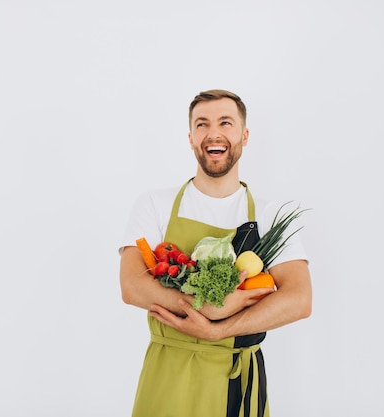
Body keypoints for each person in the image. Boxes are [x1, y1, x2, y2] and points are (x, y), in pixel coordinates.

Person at [118, 89, 312, 417]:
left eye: (226, 122)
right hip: (169, 372)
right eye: (202, 124)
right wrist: (207, 305)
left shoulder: (269, 214)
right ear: (192, 137)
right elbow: (132, 286)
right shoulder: (154, 204)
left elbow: (299, 299)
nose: (214, 133)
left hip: (234, 377)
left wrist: (218, 328)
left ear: (244, 135)